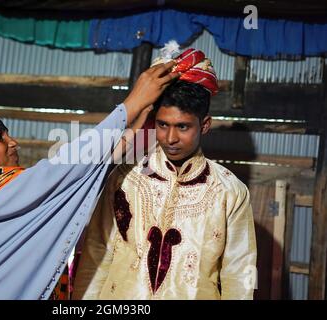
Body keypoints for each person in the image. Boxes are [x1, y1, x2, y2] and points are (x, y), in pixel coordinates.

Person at [0, 61, 178, 300]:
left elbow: (85, 169)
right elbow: (61, 170)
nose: (13, 143)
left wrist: (135, 123)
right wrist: (129, 105)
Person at [72, 48, 257, 300]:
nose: (170, 138)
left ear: (205, 125)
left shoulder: (230, 191)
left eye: (183, 127)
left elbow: (239, 275)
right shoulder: (125, 179)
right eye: (162, 125)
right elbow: (96, 252)